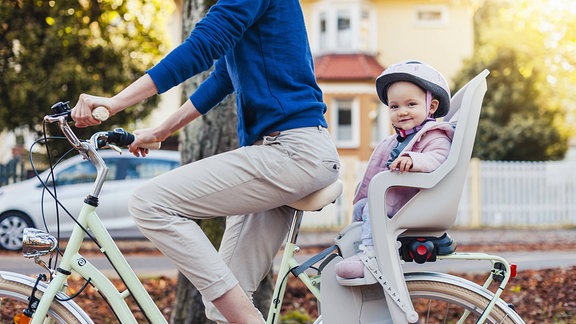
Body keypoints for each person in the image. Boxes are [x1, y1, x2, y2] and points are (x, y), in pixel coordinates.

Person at [71, 1, 341, 322]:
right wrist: (160, 130)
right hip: (281, 154)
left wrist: (115, 103)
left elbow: (201, 46)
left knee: (149, 203)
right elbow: (222, 78)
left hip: (292, 151)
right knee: (223, 308)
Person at [335, 60, 454, 280]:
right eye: (395, 106)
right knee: (362, 207)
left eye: (411, 104)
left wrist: (414, 159)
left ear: (432, 106)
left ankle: (371, 256)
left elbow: (439, 158)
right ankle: (358, 248)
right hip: (396, 200)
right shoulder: (395, 141)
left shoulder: (435, 134)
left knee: (373, 207)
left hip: (414, 204)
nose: (402, 112)